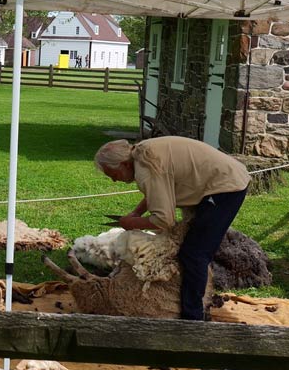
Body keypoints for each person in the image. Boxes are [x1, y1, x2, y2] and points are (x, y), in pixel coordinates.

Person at [93, 136, 250, 320]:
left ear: (124, 164)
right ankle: (188, 302)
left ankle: (192, 319)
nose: (113, 180)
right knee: (192, 248)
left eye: (112, 174)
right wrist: (136, 213)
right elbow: (159, 190)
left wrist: (131, 223)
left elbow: (165, 220)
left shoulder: (145, 169)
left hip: (226, 186)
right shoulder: (141, 152)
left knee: (194, 253)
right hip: (221, 179)